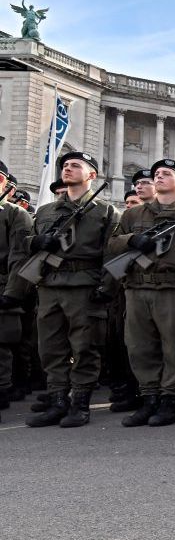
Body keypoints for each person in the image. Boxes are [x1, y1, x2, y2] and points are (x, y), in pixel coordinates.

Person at [108, 158, 175, 427]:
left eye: (166, 174)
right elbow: (112, 245)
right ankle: (149, 398)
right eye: (156, 174)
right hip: (137, 288)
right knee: (139, 347)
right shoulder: (133, 215)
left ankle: (169, 401)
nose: (158, 177)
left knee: (173, 348)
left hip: (173, 289)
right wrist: (132, 239)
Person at [21, 152, 118, 428]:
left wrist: (106, 287)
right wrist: (38, 241)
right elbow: (24, 245)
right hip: (50, 284)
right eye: (65, 165)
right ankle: (58, 400)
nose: (68, 169)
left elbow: (110, 255)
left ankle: (80, 404)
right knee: (50, 347)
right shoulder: (46, 211)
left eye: (76, 166)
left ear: (91, 175)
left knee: (85, 346)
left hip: (84, 285)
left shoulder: (105, 212)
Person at [0, 161, 33, 421]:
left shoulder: (14, 214)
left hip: (2, 285)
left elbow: (19, 257)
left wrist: (13, 291)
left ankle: (3, 390)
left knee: (2, 345)